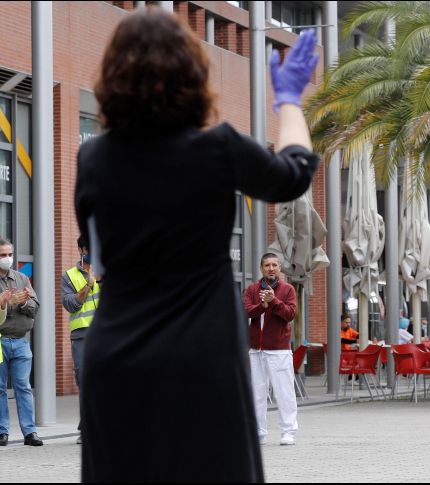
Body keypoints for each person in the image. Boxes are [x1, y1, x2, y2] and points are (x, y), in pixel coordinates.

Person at [74, 8, 319, 482]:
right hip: (202, 355)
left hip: (117, 356)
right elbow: (294, 174)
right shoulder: (218, 148)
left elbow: (95, 250)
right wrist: (288, 99)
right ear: (192, 74)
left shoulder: (93, 158)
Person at [243, 253, 299, 446]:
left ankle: (288, 431)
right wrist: (263, 305)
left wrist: (274, 301)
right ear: (261, 268)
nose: (271, 268)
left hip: (278, 350)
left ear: (280, 268)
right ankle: (259, 432)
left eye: (274, 264)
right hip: (255, 351)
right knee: (257, 393)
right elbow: (247, 311)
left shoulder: (288, 289)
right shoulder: (251, 289)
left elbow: (290, 314)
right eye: (267, 265)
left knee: (284, 391)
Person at [0, 239, 42, 447]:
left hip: (21, 342)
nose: (7, 258)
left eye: (9, 254)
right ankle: (2, 432)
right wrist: (4, 302)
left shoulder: (22, 278)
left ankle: (30, 433)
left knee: (23, 388)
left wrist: (24, 301)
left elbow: (35, 306)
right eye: (2, 255)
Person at [61, 235, 100, 445]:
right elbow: (70, 304)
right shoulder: (69, 276)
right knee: (85, 382)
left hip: (105, 335)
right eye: (89, 248)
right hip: (82, 337)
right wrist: (88, 285)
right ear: (81, 250)